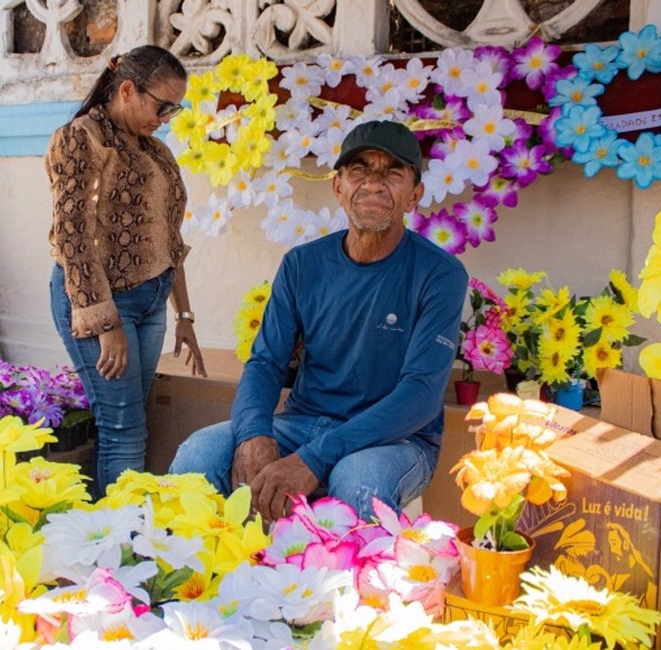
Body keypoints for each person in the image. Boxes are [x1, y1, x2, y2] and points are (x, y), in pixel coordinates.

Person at [169, 120, 467, 522]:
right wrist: (255, 433)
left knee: (358, 482)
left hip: (395, 440)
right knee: (198, 456)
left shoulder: (440, 274)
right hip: (301, 424)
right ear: (338, 187)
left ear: (415, 196)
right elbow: (266, 363)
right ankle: (198, 564)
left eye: (392, 172)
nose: (373, 184)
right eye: (359, 169)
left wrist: (312, 459)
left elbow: (421, 395)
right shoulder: (302, 264)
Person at [47, 45, 206, 498]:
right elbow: (73, 235)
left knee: (129, 422)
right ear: (128, 90)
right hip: (100, 302)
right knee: (124, 428)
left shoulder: (155, 151)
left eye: (175, 109)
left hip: (151, 302)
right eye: (162, 106)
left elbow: (169, 241)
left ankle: (113, 525)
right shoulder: (82, 138)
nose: (166, 118)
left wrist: (185, 316)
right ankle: (120, 536)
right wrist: (106, 324)